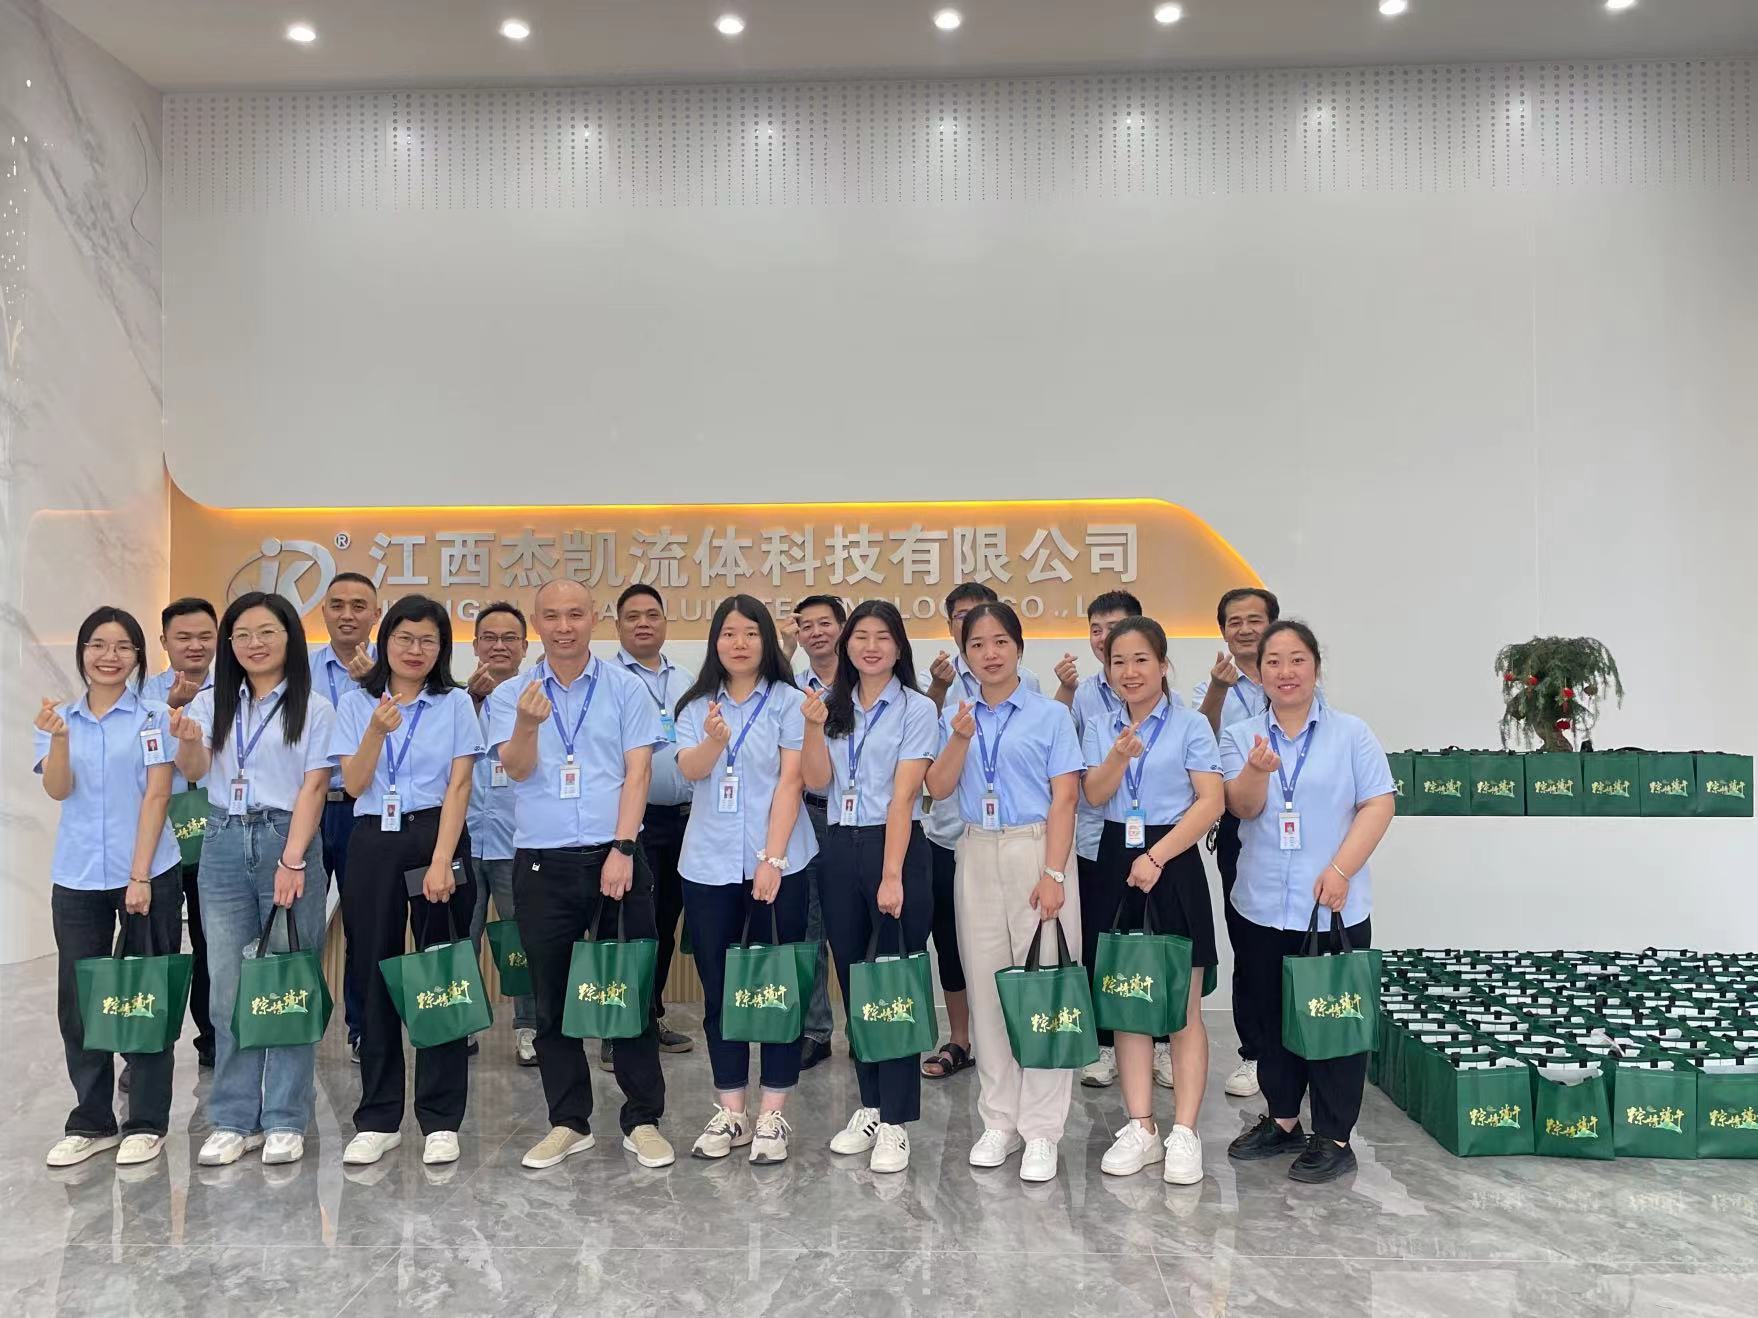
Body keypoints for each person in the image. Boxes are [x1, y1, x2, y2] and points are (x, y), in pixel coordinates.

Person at [489, 579, 673, 1172]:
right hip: (541, 862)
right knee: (551, 1002)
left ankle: (642, 1119)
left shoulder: (625, 688)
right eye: (551, 616)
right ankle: (569, 1121)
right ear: (536, 624)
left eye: (574, 614)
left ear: (595, 618)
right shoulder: (512, 694)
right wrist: (526, 724)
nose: (563, 626)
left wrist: (623, 847)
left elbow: (638, 773)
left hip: (615, 856)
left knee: (629, 992)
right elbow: (517, 771)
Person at [1221, 620, 1395, 1184]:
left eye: (1297, 659)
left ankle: (1335, 1137)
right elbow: (1241, 808)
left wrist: (1342, 869)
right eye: (1273, 661)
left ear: (1316, 667)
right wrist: (1256, 770)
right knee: (1270, 1021)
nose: (1285, 672)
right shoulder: (1242, 734)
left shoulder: (1351, 734)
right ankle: (1283, 1121)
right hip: (1262, 905)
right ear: (1259, 672)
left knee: (1333, 1024)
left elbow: (1379, 804)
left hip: (1333, 905)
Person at [168, 592, 335, 1166]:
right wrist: (187, 739)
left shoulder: (314, 706)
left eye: (266, 632)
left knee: (287, 976)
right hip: (220, 838)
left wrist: (293, 859)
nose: (253, 644)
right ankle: (234, 1117)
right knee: (227, 985)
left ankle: (286, 1115)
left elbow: (315, 786)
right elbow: (195, 771)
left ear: (289, 638)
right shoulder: (212, 700)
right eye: (241, 635)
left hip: (285, 836)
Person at [924, 601, 1082, 1183]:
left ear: (1019, 646)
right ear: (963, 653)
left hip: (1035, 849)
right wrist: (959, 738)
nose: (989, 654)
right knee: (988, 987)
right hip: (975, 849)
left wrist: (1054, 873)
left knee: (1044, 991)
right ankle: (999, 1121)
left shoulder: (1049, 715)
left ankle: (1042, 1130)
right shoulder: (955, 714)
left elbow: (1066, 797)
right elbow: (937, 787)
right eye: (976, 645)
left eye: (1000, 642)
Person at [328, 595, 484, 1167]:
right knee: (373, 973)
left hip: (437, 835)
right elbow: (352, 782)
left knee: (441, 973)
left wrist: (442, 859)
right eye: (404, 638)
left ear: (441, 648)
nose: (415, 650)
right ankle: (378, 1116)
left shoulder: (455, 703)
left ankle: (441, 1118)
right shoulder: (355, 703)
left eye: (428, 640)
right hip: (373, 839)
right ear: (385, 640)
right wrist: (375, 730)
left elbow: (460, 785)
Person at [1079, 617, 1224, 1185]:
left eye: (1141, 659)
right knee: (1127, 1002)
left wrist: (1158, 857)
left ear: (1163, 665)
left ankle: (1184, 1131)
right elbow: (1094, 794)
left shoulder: (1190, 724)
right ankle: (1142, 1127)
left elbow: (1210, 802)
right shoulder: (1100, 724)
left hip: (1173, 858)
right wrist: (1118, 756)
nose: (1130, 671)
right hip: (1116, 860)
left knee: (1182, 1008)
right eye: (1118, 661)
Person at [37, 607, 183, 1168]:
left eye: (123, 646)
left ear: (139, 657)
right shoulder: (59, 717)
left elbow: (157, 794)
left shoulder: (153, 717)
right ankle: (92, 1120)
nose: (109, 656)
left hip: (147, 872)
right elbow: (58, 789)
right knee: (78, 1002)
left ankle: (146, 1120)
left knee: (146, 992)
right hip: (77, 875)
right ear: (82, 653)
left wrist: (138, 875)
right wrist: (57, 740)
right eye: (98, 644)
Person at [674, 595, 817, 1164]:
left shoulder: (788, 701)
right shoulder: (695, 704)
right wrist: (714, 741)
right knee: (719, 989)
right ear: (715, 641)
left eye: (751, 633)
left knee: (779, 985)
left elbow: (792, 781)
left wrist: (771, 859)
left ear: (767, 641)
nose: (739, 643)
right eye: (729, 633)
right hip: (708, 865)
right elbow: (688, 771)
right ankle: (731, 1110)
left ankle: (773, 1114)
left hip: (780, 862)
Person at [800, 601, 938, 1174]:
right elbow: (817, 782)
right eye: (861, 636)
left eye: (883, 636)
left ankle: (898, 1121)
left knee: (893, 981)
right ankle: (872, 1106)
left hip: (894, 846)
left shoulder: (917, 708)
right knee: (858, 982)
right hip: (838, 845)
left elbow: (905, 796)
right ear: (847, 645)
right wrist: (812, 727)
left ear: (899, 647)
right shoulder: (831, 705)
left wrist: (891, 874)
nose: (871, 646)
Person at [918, 582, 1043, 1082]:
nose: (988, 650)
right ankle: (961, 1039)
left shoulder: (1030, 687)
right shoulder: (938, 685)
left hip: (1015, 840)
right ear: (953, 628)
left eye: (997, 637)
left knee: (1019, 949)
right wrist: (939, 690)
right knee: (955, 945)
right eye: (965, 621)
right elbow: (931, 770)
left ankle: (1021, 1041)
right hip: (949, 835)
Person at [1052, 590, 1176, 1094]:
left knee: (1158, 942)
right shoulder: (1085, 698)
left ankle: (1161, 1042)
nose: (1107, 641)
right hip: (1098, 837)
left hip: (1157, 841)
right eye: (1098, 631)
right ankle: (1105, 1044)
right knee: (1104, 944)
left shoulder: (1176, 710)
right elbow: (1079, 774)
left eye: (1119, 631)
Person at [1189, 586, 1279, 1099]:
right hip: (1238, 830)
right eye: (1234, 622)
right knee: (1248, 940)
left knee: (1295, 943)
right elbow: (1197, 741)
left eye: (1254, 619)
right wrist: (1219, 691)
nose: (1244, 629)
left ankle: (1297, 1049)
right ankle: (1254, 1054)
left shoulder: (1292, 680)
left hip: (1293, 830)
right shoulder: (1212, 686)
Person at [612, 584, 695, 1055]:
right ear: (618, 626)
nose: (643, 623)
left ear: (664, 622)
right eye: (633, 616)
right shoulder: (608, 680)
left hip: (686, 821)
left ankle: (651, 1015)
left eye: (652, 615)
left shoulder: (686, 679)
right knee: (630, 926)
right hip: (634, 824)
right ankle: (618, 1029)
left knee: (666, 922)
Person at [142, 597, 219, 1069]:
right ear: (164, 641)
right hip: (161, 840)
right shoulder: (142, 693)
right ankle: (149, 1053)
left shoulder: (233, 690)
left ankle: (213, 1039)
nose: (195, 645)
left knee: (214, 943)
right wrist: (167, 709)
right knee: (158, 943)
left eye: (205, 636)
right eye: (183, 637)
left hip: (217, 835)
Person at [309, 571, 381, 1062]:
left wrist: (373, 687)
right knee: (299, 925)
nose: (348, 615)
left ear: (376, 614)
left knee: (364, 925)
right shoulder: (298, 670)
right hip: (309, 808)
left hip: (365, 809)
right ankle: (298, 1023)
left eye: (359, 606)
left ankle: (362, 1029)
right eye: (337, 605)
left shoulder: (393, 670)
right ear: (324, 612)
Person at [462, 601, 536, 1066]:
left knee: (522, 939)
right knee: (461, 937)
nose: (499, 646)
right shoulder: (454, 701)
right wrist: (471, 702)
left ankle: (529, 1027)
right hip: (466, 838)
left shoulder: (538, 700)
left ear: (525, 647)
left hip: (517, 839)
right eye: (489, 637)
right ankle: (462, 1025)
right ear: (475, 645)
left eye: (510, 638)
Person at [788, 593, 846, 1071]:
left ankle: (867, 1028)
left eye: (825, 623)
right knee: (808, 926)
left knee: (855, 926)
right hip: (807, 812)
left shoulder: (865, 682)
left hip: (855, 820)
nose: (816, 633)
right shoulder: (790, 689)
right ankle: (815, 1030)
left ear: (843, 627)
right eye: (806, 626)